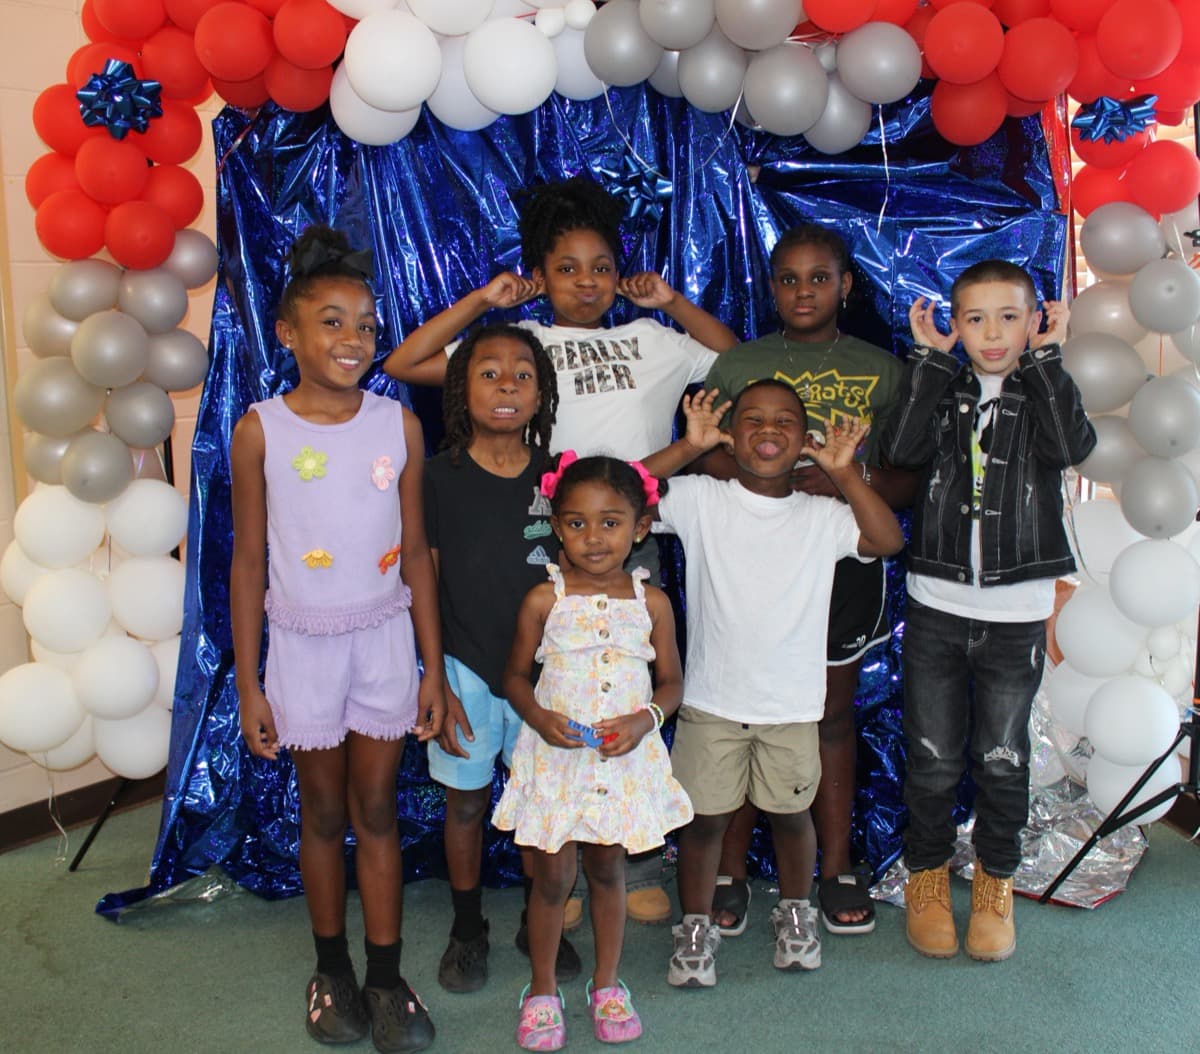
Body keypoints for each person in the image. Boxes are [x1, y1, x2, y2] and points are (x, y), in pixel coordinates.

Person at [385, 175, 737, 924]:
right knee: (560, 708)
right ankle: (564, 877)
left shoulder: (650, 340)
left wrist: (671, 302)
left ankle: (636, 856)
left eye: (602, 267)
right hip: (548, 540)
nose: (586, 281)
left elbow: (736, 358)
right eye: (566, 268)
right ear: (540, 277)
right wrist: (485, 300)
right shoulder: (525, 346)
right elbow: (405, 364)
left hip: (631, 545)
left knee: (626, 701)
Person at [230, 226, 444, 1053]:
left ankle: (386, 976)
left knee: (377, 809)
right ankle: (332, 970)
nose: (354, 339)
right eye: (331, 322)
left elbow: (417, 551)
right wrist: (250, 683)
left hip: (384, 639)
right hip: (304, 646)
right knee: (322, 812)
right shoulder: (261, 429)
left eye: (365, 324)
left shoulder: (398, 424)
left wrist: (430, 667)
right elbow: (249, 562)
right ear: (287, 332)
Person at [641, 381, 904, 986]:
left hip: (791, 706)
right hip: (711, 703)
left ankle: (795, 910)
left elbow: (886, 540)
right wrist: (688, 447)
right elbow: (623, 491)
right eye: (752, 419)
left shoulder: (822, 516)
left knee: (791, 817)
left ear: (805, 439)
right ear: (730, 437)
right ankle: (695, 926)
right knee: (704, 822)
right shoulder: (702, 498)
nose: (767, 429)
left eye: (785, 421)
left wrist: (843, 472)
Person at [698, 223, 916, 936]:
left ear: (845, 285)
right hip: (751, 558)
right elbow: (706, 456)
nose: (803, 291)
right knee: (739, 711)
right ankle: (730, 869)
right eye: (788, 279)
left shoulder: (883, 371)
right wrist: (772, 479)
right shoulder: (739, 364)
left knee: (829, 713)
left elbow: (911, 477)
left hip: (839, 558)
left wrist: (846, 480)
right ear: (771, 287)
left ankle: (836, 866)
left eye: (819, 278)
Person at [881, 260, 1095, 962]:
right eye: (975, 318)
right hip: (936, 607)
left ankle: (995, 881)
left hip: (1016, 613)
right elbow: (900, 450)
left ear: (1035, 320)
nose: (993, 333)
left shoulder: (1042, 388)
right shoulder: (943, 387)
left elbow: (1072, 448)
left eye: (1009, 317)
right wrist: (928, 362)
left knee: (1002, 759)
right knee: (933, 758)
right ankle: (927, 876)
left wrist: (1048, 360)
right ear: (955, 324)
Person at [493, 455, 693, 1050]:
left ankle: (606, 984)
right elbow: (514, 678)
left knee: (609, 871)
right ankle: (542, 989)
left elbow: (673, 684)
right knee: (552, 878)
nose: (594, 537)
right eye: (577, 524)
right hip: (558, 760)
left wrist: (644, 719)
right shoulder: (543, 600)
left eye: (610, 523)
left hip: (621, 759)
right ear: (557, 527)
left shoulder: (652, 603)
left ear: (640, 527)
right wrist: (538, 717)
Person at [422, 322, 583, 992]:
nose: (507, 386)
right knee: (465, 805)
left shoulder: (562, 475)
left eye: (523, 374)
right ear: (462, 389)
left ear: (542, 392)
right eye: (489, 373)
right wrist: (434, 678)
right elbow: (423, 580)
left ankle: (538, 921)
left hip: (545, 677)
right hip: (463, 667)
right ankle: (468, 927)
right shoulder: (436, 477)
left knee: (542, 807)